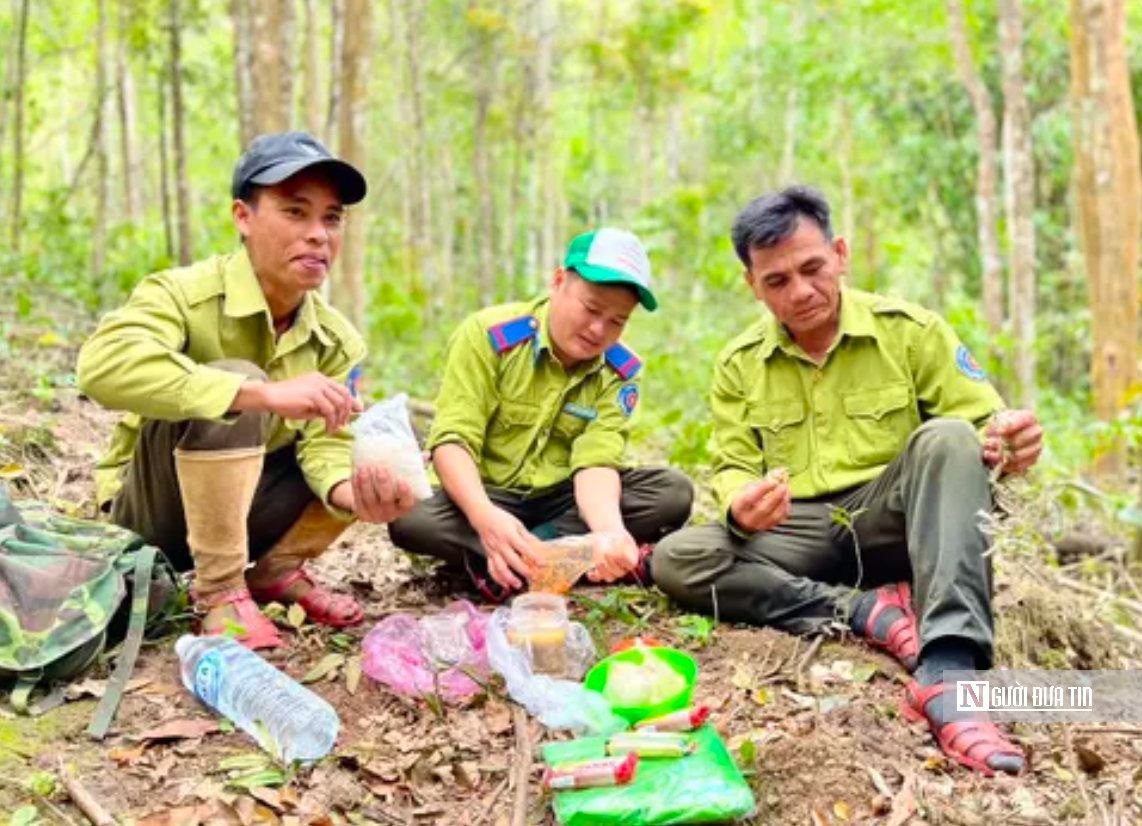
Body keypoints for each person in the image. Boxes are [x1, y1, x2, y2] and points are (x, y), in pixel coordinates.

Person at [652, 186, 1043, 776]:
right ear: (752, 285)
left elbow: (989, 425)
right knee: (679, 557)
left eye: (812, 268)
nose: (801, 291)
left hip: (895, 523)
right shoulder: (739, 362)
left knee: (950, 437)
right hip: (801, 532)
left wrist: (1008, 443)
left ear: (840, 253)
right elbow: (732, 462)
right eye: (777, 281)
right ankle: (864, 611)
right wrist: (740, 506)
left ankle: (950, 671)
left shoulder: (909, 331)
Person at [77, 131, 415, 650]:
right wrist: (257, 394)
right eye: (295, 212)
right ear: (243, 217)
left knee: (369, 450)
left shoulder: (337, 340)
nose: (318, 235)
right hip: (150, 514)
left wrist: (353, 497)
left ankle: (275, 572)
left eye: (331, 218)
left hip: (247, 511)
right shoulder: (182, 293)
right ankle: (218, 592)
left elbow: (327, 443)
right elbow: (101, 367)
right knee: (240, 383)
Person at [389, 229, 694, 600]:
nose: (599, 330)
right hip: (489, 493)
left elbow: (596, 461)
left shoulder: (620, 370)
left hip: (564, 501)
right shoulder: (488, 335)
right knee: (410, 518)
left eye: (617, 321)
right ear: (559, 281)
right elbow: (453, 439)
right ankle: (546, 556)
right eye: (592, 308)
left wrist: (609, 531)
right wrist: (484, 517)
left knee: (670, 493)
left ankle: (507, 563)